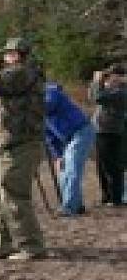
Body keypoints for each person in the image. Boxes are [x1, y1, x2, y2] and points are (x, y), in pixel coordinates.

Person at [0, 37, 46, 261]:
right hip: (6, 144)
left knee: (14, 194)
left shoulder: (23, 72)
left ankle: (31, 246)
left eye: (9, 54)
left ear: (20, 55)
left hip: (21, 144)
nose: (5, 58)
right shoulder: (18, 73)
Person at [44, 81, 95, 216]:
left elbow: (49, 105)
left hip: (81, 131)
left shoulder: (50, 91)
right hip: (66, 139)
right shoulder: (36, 107)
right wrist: (58, 156)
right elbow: (50, 137)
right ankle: (76, 205)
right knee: (63, 170)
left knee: (72, 168)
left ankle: (69, 207)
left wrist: (29, 106)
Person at [89, 64, 126, 207]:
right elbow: (93, 96)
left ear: (120, 76)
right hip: (102, 130)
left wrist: (97, 81)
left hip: (110, 132)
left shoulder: (121, 92)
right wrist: (98, 83)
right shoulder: (112, 90)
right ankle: (107, 197)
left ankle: (116, 198)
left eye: (112, 75)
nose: (110, 77)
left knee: (113, 167)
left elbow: (97, 97)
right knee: (102, 166)